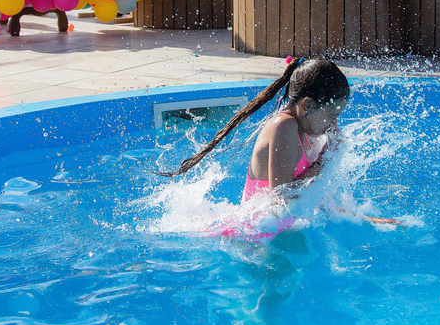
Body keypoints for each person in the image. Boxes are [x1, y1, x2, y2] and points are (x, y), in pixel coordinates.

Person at [163, 58, 400, 233]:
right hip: (258, 235)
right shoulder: (283, 126)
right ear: (307, 106)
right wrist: (324, 160)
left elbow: (314, 198)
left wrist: (363, 219)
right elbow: (281, 201)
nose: (334, 124)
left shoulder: (306, 126)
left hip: (279, 229)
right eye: (331, 116)